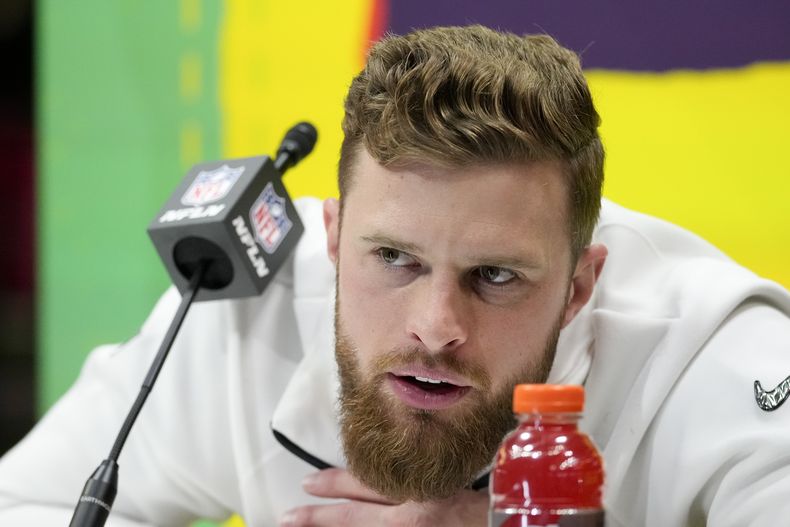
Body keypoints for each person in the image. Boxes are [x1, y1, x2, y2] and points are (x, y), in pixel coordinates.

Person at [2, 24, 790, 527]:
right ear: (335, 234)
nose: (435, 323)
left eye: (495, 277)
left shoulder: (714, 356)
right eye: (394, 259)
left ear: (581, 285)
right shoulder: (247, 312)